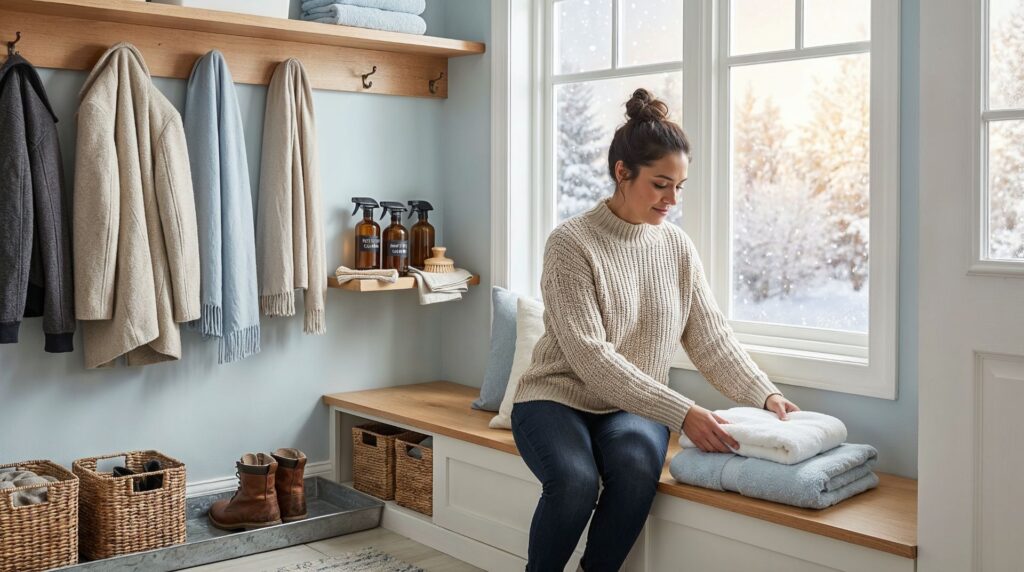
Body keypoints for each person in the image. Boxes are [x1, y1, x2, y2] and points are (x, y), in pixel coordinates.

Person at [510, 88, 801, 572]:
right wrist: (683, 411)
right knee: (576, 481)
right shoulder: (570, 244)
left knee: (636, 468)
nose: (672, 200)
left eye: (680, 187)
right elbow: (590, 356)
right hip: (554, 397)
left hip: (632, 405)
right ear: (622, 173)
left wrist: (765, 395)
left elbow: (710, 337)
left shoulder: (677, 248)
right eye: (661, 184)